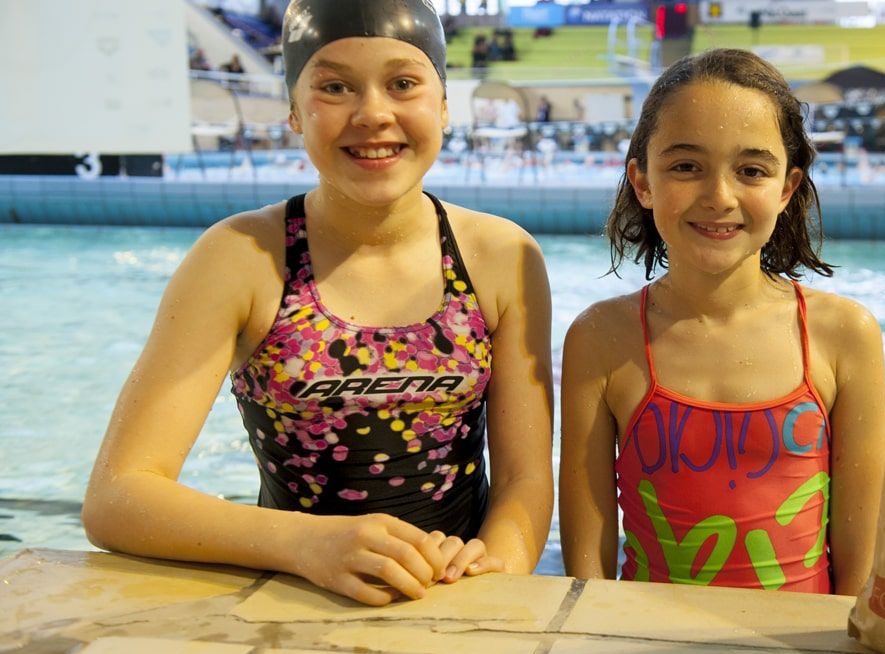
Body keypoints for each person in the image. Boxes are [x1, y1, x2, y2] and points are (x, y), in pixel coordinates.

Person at [82, 0, 554, 607]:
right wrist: (306, 544)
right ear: (295, 114)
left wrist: (497, 569)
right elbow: (118, 496)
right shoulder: (240, 259)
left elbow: (524, 479)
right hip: (290, 600)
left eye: (403, 83)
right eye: (334, 87)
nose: (373, 114)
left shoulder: (500, 255)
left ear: (442, 105)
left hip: (457, 595)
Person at [558, 49, 885, 595]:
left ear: (786, 188)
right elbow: (586, 573)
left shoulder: (843, 335)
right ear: (642, 182)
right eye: (686, 166)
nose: (718, 196)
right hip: (645, 647)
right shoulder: (600, 339)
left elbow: (861, 567)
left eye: (751, 170)